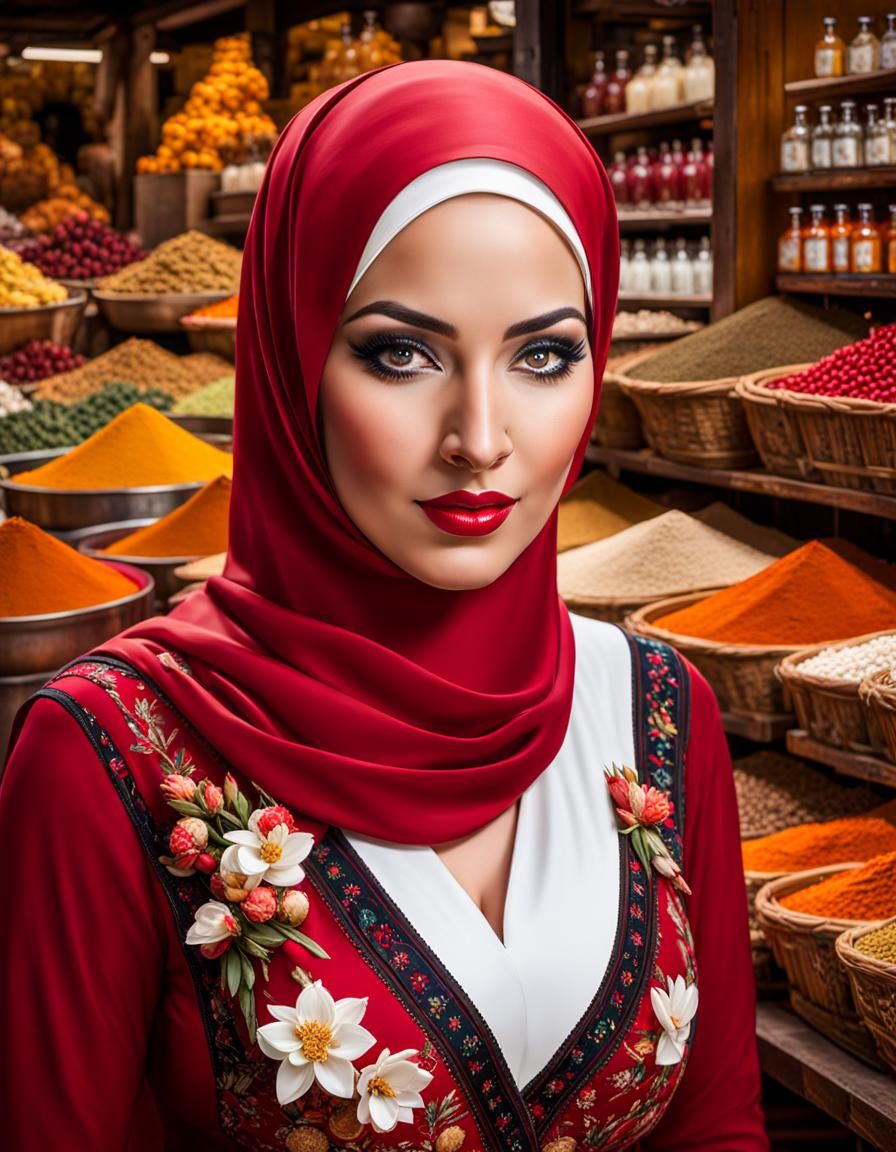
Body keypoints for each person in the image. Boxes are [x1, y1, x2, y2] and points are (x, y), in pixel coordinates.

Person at [0, 60, 767, 1152]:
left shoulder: (653, 712)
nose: (481, 438)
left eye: (545, 354)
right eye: (400, 353)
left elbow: (716, 1127)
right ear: (288, 357)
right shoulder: (112, 754)